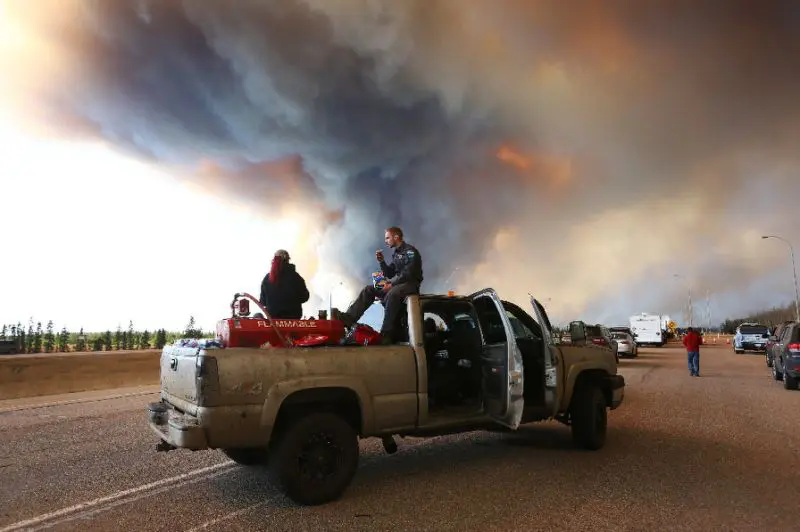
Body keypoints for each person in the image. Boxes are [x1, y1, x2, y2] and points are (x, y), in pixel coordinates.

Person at [333, 227, 423, 344]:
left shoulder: (410, 252)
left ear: (396, 237)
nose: (385, 241)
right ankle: (349, 318)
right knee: (369, 289)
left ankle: (386, 333)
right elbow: (389, 273)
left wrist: (391, 285)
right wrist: (381, 261)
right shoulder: (396, 254)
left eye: (387, 238)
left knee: (393, 293)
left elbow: (408, 273)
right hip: (398, 284)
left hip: (410, 284)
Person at [259, 249, 310, 319]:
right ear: (288, 260)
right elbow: (304, 297)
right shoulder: (296, 277)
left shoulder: (267, 278)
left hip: (273, 322)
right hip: (294, 320)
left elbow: (262, 302)